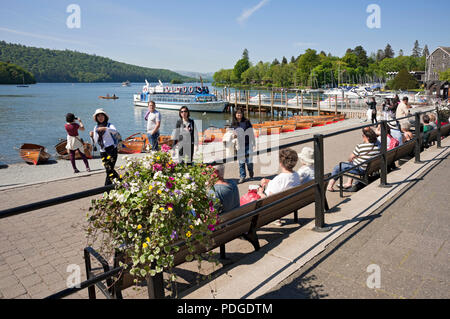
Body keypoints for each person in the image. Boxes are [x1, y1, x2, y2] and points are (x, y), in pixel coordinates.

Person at [257, 148, 301, 226]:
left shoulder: (279, 179)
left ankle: (275, 217)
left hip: (277, 207)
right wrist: (269, 182)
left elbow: (269, 199)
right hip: (291, 203)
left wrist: (260, 192)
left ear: (280, 163)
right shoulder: (296, 175)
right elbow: (284, 185)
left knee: (253, 197)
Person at [327, 127, 380, 191]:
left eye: (363, 135)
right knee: (352, 163)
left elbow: (350, 158)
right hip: (370, 167)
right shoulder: (377, 146)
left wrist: (353, 158)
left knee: (337, 168)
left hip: (361, 169)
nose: (362, 137)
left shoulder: (360, 146)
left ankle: (329, 186)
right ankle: (348, 183)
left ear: (367, 137)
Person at [89, 108, 120, 185]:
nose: (100, 117)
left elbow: (115, 132)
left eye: (102, 115)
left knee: (109, 170)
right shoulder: (95, 127)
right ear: (96, 118)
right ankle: (120, 181)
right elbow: (95, 141)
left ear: (105, 116)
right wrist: (92, 136)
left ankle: (106, 189)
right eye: (98, 116)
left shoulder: (110, 125)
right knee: (109, 170)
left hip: (112, 150)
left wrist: (106, 128)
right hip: (103, 152)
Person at [231, 108, 256, 183]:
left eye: (240, 113)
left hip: (248, 144)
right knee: (241, 163)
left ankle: (251, 173)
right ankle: (242, 176)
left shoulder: (246, 122)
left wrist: (254, 143)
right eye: (238, 113)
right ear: (235, 114)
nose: (239, 114)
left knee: (249, 162)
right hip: (239, 146)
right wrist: (233, 135)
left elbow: (251, 133)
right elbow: (231, 134)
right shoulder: (233, 124)